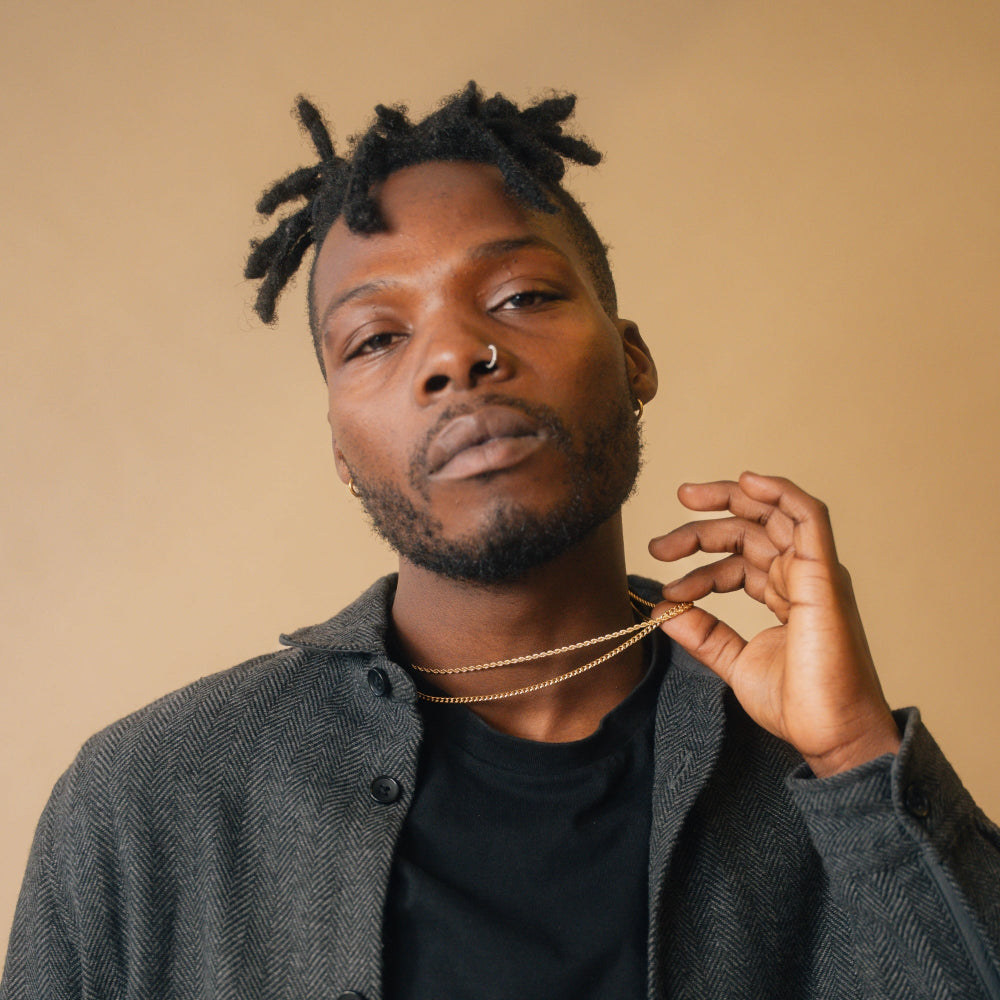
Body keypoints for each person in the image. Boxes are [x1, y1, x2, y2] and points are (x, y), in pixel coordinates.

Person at [2, 82, 999, 1000]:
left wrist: (859, 756)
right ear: (340, 449)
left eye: (521, 296)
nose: (453, 356)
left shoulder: (819, 773)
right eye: (376, 338)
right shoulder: (144, 804)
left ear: (634, 360)